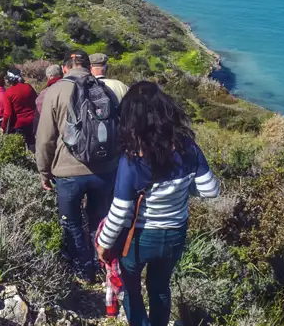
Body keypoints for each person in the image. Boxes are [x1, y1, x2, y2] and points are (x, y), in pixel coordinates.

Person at [96, 82, 220, 326]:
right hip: (175, 233)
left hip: (140, 237)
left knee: (131, 289)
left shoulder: (132, 158)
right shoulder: (188, 147)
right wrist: (182, 187)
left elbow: (120, 212)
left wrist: (103, 244)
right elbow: (210, 190)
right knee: (160, 288)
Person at [36, 50, 120, 281]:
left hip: (68, 171)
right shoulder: (106, 90)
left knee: (71, 223)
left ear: (64, 68)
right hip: (104, 169)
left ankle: (83, 270)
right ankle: (101, 265)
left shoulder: (55, 91)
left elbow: (45, 139)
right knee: (99, 220)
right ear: (88, 66)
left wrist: (44, 171)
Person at [1, 67, 38, 146]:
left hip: (18, 125)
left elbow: (7, 114)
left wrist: (3, 127)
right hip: (32, 122)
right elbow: (36, 102)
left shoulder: (8, 93)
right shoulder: (28, 87)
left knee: (19, 147)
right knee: (32, 145)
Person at [33, 64, 63, 132]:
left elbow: (39, 115)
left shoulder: (44, 93)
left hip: (52, 130)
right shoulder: (70, 86)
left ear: (49, 77)